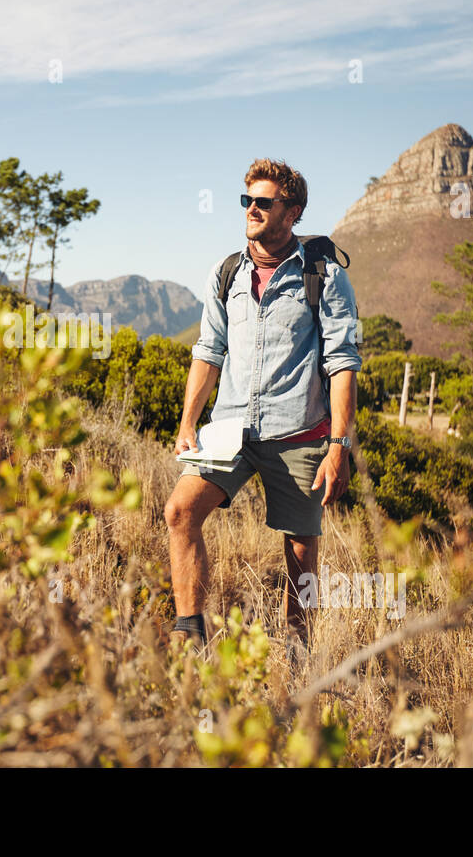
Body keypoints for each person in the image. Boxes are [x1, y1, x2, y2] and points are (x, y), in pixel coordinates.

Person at [164, 158, 360, 669]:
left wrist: (339, 446)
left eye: (263, 202)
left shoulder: (325, 277)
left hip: (298, 433)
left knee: (300, 555)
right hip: (229, 429)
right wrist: (188, 423)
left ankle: (299, 658)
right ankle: (189, 637)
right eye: (246, 199)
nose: (251, 209)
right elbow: (209, 352)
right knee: (179, 512)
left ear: (292, 212)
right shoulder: (226, 272)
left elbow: (342, 363)